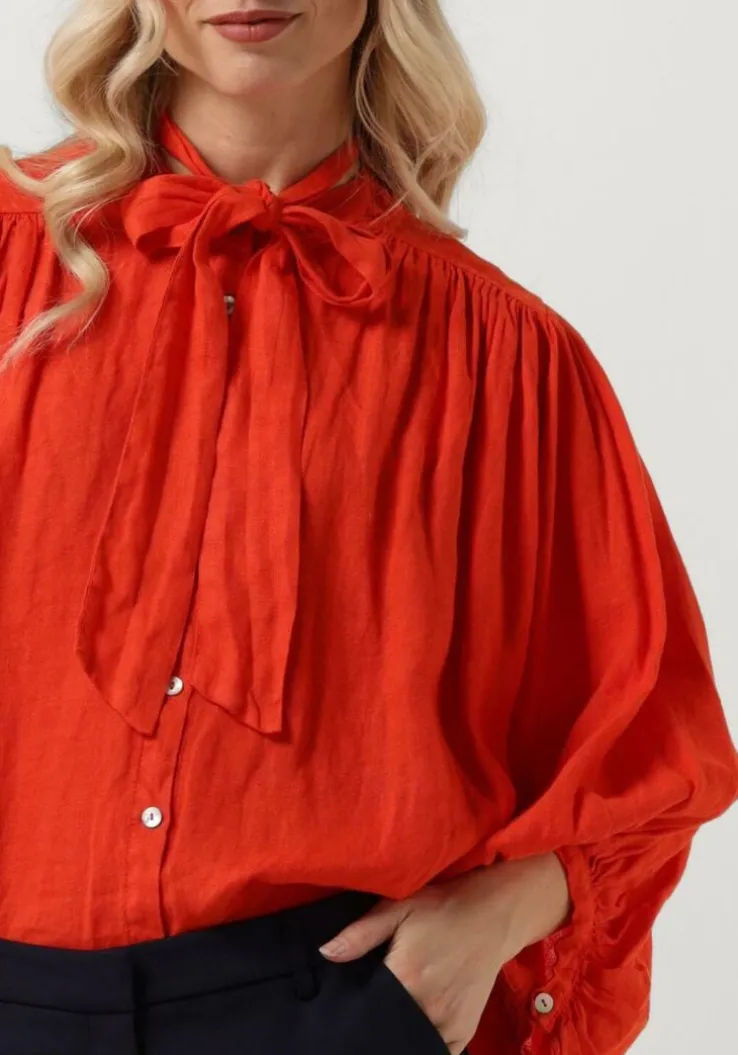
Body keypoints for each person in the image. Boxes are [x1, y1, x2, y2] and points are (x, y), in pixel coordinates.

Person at [0, 1, 736, 1053]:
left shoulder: (505, 356)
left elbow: (654, 748)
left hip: (335, 1004)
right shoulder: (9, 261)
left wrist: (497, 917)